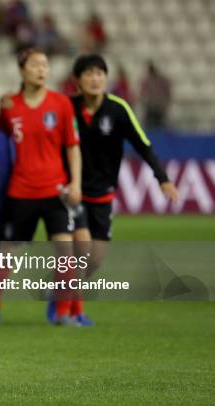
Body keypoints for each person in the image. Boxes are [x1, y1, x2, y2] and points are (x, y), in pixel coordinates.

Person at [65, 54, 178, 323]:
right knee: (82, 252)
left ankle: (62, 292)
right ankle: (73, 312)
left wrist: (162, 178)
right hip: (73, 192)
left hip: (103, 193)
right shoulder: (66, 108)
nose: (95, 79)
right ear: (78, 81)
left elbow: (143, 144)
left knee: (96, 260)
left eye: (100, 73)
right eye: (89, 74)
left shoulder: (118, 109)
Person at [0, 48, 82, 325]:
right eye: (35, 64)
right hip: (21, 192)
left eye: (45, 64)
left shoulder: (61, 104)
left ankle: (63, 313)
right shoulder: (9, 106)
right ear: (22, 71)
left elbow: (72, 145)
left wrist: (75, 182)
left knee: (67, 254)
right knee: (7, 255)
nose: (42, 69)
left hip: (55, 191)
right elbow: (1, 142)